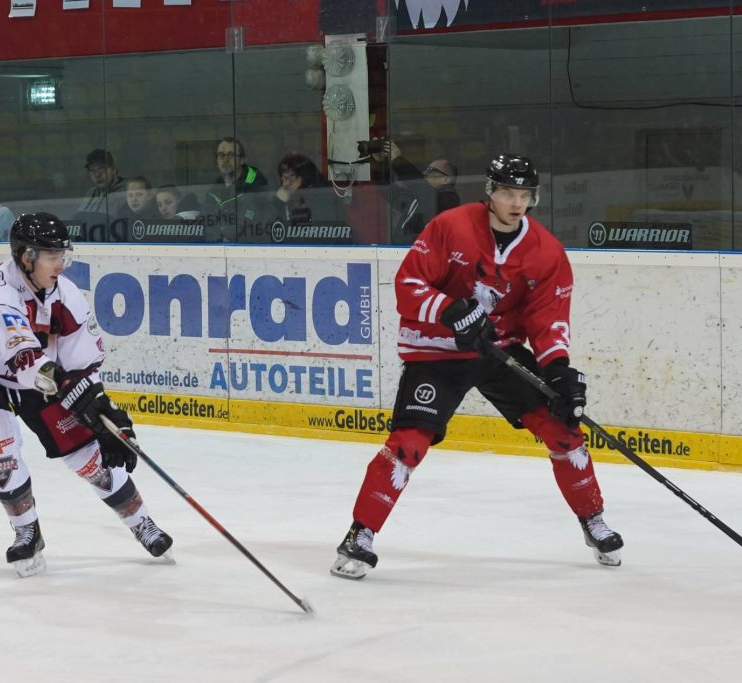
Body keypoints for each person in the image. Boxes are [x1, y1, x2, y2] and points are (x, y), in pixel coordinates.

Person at [330, 153, 623, 580]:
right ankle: (360, 535)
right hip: (438, 351)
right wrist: (449, 310)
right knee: (409, 443)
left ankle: (593, 521)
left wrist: (558, 368)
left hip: (496, 351)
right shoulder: (451, 226)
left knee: (564, 430)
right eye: (507, 192)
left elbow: (548, 317)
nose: (516, 201)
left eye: (524, 194)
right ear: (490, 192)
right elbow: (409, 283)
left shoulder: (546, 252)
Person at [0, 212, 173, 577]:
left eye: (63, 254)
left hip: (36, 378)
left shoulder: (67, 296)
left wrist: (101, 411)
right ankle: (26, 532)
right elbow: (26, 359)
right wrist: (76, 393)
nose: (61, 264)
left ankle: (141, 522)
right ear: (26, 257)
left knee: (88, 458)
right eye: (52, 256)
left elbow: (83, 365)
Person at [200, 137, 269, 241]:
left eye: (231, 155)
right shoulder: (213, 190)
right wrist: (217, 239)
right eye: (221, 155)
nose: (226, 160)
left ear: (241, 160)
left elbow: (249, 222)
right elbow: (204, 221)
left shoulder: (255, 186)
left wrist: (224, 236)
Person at [76, 148, 126, 216]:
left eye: (101, 169)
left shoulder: (127, 192)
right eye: (92, 171)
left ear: (113, 169)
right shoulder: (91, 193)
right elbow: (78, 218)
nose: (97, 175)